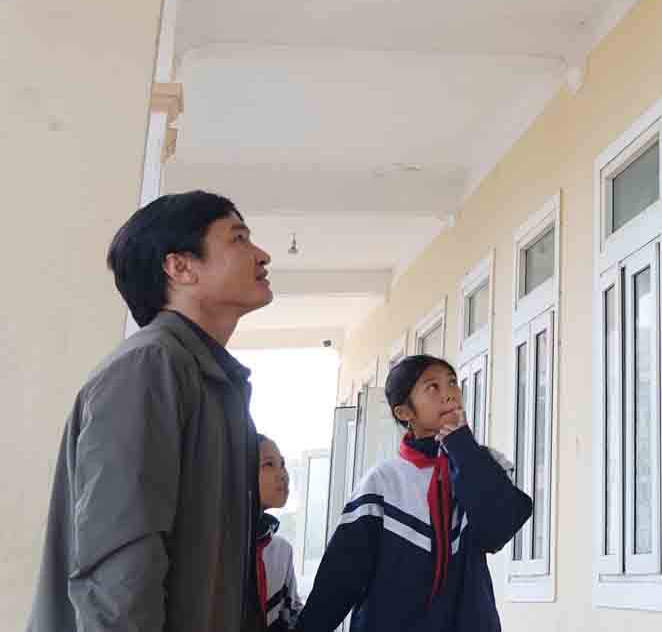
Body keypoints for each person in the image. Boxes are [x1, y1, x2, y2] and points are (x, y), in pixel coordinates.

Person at [29, 190, 273, 632]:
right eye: (238, 239)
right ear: (180, 266)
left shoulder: (212, 379)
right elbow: (119, 564)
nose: (262, 255)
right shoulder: (148, 367)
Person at [298, 354, 532, 632]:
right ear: (405, 412)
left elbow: (497, 530)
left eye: (453, 383)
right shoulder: (383, 482)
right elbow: (340, 578)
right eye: (433, 387)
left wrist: (461, 446)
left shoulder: (483, 464)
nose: (449, 395)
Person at [257, 437, 304, 629]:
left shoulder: (281, 551)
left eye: (283, 464)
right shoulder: (216, 545)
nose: (283, 475)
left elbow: (292, 613)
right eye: (269, 464)